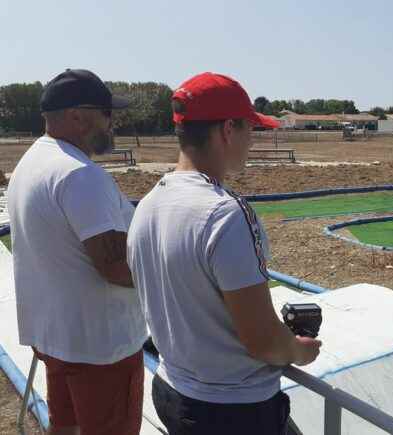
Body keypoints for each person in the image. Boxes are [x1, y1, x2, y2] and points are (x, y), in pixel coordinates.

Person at [127, 72, 321, 435]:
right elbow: (263, 341)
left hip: (172, 390)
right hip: (231, 411)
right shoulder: (226, 214)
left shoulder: (148, 205)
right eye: (250, 129)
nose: (252, 140)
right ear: (228, 130)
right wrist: (299, 350)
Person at [7, 69, 146, 435]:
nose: (112, 122)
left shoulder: (32, 163)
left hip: (59, 337)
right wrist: (173, 279)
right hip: (102, 347)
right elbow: (115, 267)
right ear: (78, 116)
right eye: (107, 113)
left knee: (65, 428)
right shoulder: (80, 175)